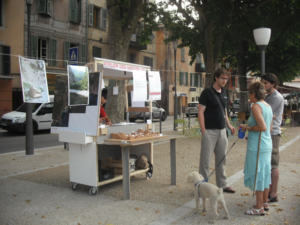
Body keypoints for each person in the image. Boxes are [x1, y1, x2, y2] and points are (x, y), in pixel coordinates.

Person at [198, 68, 236, 193]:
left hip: (222, 131)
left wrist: (229, 125)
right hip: (209, 131)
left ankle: (223, 184)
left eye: (226, 78)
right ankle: (202, 186)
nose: (225, 81)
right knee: (206, 160)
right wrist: (203, 130)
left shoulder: (225, 92)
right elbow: (201, 112)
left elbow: (224, 110)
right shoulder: (207, 93)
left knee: (222, 159)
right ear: (216, 78)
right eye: (223, 78)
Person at [239, 82, 273, 215]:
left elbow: (263, 127)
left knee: (258, 174)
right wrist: (252, 133)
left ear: (253, 94)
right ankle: (264, 202)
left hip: (258, 145)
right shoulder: (268, 106)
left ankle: (259, 207)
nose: (249, 97)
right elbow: (269, 128)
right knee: (264, 173)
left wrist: (248, 128)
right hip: (266, 143)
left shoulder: (255, 106)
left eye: (249, 94)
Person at [261, 73, 284, 203]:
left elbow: (266, 113)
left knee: (273, 164)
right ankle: (268, 191)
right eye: (262, 83)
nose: (263, 85)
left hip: (273, 133)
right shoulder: (268, 96)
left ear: (272, 84)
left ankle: (273, 194)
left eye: (265, 83)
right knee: (268, 163)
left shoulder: (276, 97)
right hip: (267, 133)